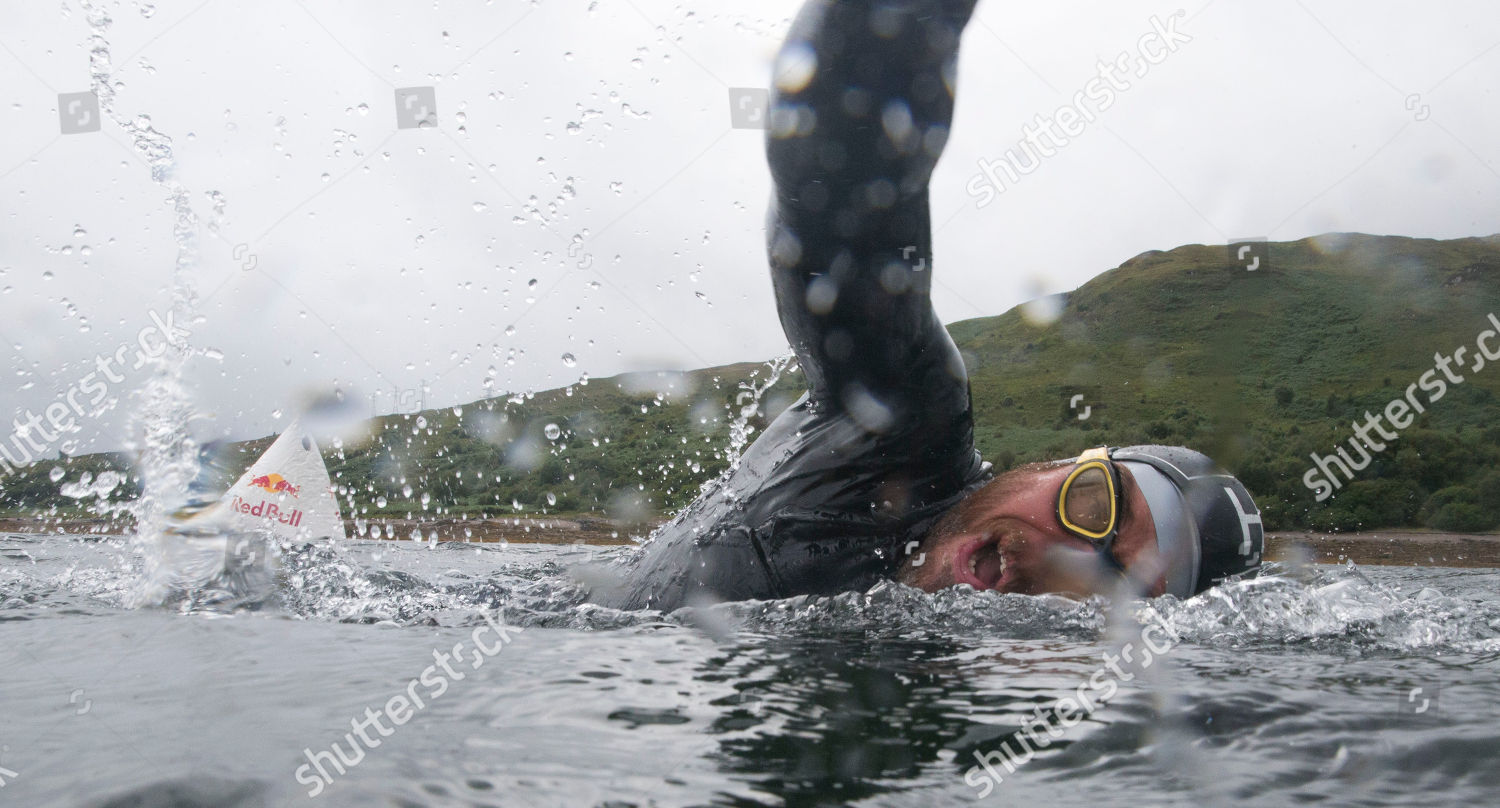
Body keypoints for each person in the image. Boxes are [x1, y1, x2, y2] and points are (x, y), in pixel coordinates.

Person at [586, 0, 1262, 611]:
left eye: (1113, 586)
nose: (1061, 558)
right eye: (1090, 505)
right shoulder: (901, 427)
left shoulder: (980, 694)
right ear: (1062, 463)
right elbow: (838, 175)